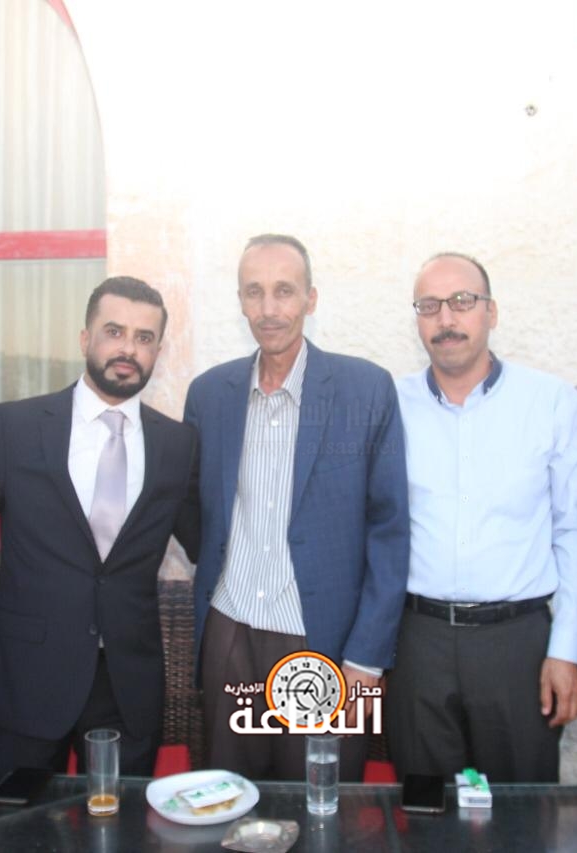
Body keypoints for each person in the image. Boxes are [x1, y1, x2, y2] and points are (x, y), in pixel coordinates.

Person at [0, 276, 199, 788]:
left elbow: (207, 543)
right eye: (114, 331)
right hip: (27, 676)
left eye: (144, 337)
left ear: (158, 350)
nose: (128, 349)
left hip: (127, 684)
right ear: (86, 338)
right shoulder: (15, 429)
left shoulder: (177, 445)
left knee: (117, 824)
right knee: (16, 823)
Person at [183, 234, 409, 782]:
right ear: (240, 301)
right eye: (254, 291)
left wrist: (367, 658)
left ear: (311, 298)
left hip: (324, 643)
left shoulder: (365, 390)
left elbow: (390, 531)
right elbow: (192, 510)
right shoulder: (208, 394)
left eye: (284, 291)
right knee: (228, 799)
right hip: (229, 633)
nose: (269, 308)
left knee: (321, 804)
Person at [386, 252, 577, 783]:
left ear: (491, 312)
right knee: (425, 810)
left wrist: (567, 650)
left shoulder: (551, 402)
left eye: (462, 301)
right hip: (418, 643)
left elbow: (571, 530)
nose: (446, 319)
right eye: (429, 306)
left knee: (522, 812)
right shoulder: (390, 405)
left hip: (517, 646)